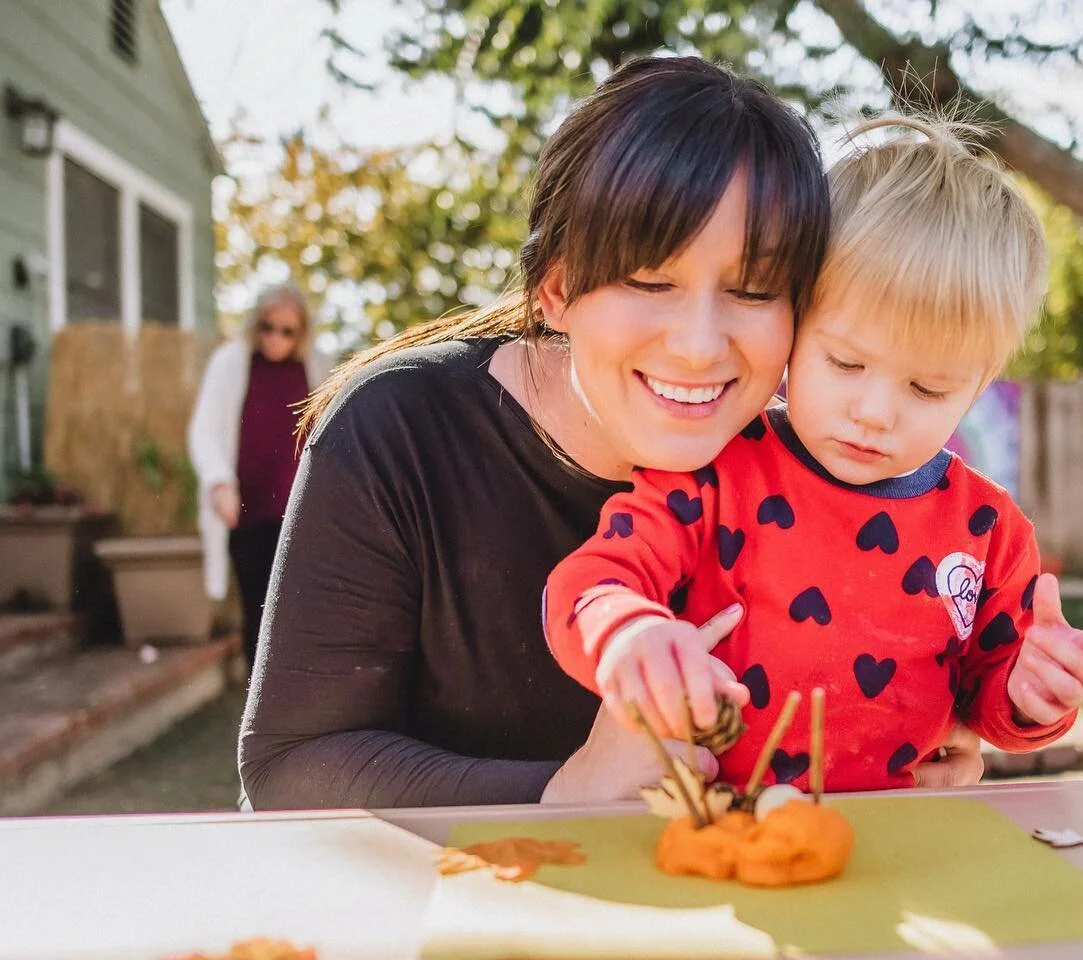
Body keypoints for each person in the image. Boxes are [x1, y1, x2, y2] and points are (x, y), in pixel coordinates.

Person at [238, 55, 952, 811]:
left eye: (752, 290)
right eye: (650, 282)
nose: (700, 345)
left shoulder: (821, 473)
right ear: (556, 287)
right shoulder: (398, 432)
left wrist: (915, 737)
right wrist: (566, 790)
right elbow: (293, 766)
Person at [544, 116, 1083, 794]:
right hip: (719, 841)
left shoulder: (986, 532)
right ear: (794, 324)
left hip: (896, 847)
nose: (875, 412)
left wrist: (1034, 689)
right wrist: (629, 635)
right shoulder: (718, 474)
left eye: (928, 387)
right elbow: (591, 584)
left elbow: (990, 702)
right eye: (845, 362)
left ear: (979, 383)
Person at [188, 285, 332, 669]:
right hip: (248, 511)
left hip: (301, 512)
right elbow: (202, 431)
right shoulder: (230, 362)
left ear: (301, 332)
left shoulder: (318, 366)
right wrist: (219, 482)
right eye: (268, 327)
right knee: (259, 611)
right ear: (255, 324)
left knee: (302, 611)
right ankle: (260, 714)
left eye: (288, 331)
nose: (276, 338)